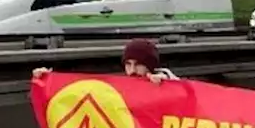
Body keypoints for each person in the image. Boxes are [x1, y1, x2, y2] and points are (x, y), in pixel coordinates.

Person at [31, 38, 177, 84]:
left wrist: (167, 84)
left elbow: (187, 96)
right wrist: (47, 80)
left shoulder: (163, 80)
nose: (132, 71)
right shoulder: (121, 86)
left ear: (150, 66)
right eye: (128, 64)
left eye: (138, 65)